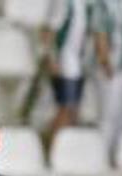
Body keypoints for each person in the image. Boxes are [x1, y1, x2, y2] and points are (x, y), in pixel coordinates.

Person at [92, 0, 122, 154]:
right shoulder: (103, 4)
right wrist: (105, 60)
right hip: (111, 67)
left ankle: (117, 154)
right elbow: (100, 32)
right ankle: (102, 154)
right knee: (108, 115)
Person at [42, 0, 90, 145]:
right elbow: (48, 33)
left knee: (73, 111)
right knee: (65, 109)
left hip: (77, 64)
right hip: (65, 63)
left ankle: (65, 147)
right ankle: (51, 147)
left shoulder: (83, 4)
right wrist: (51, 60)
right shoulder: (63, 3)